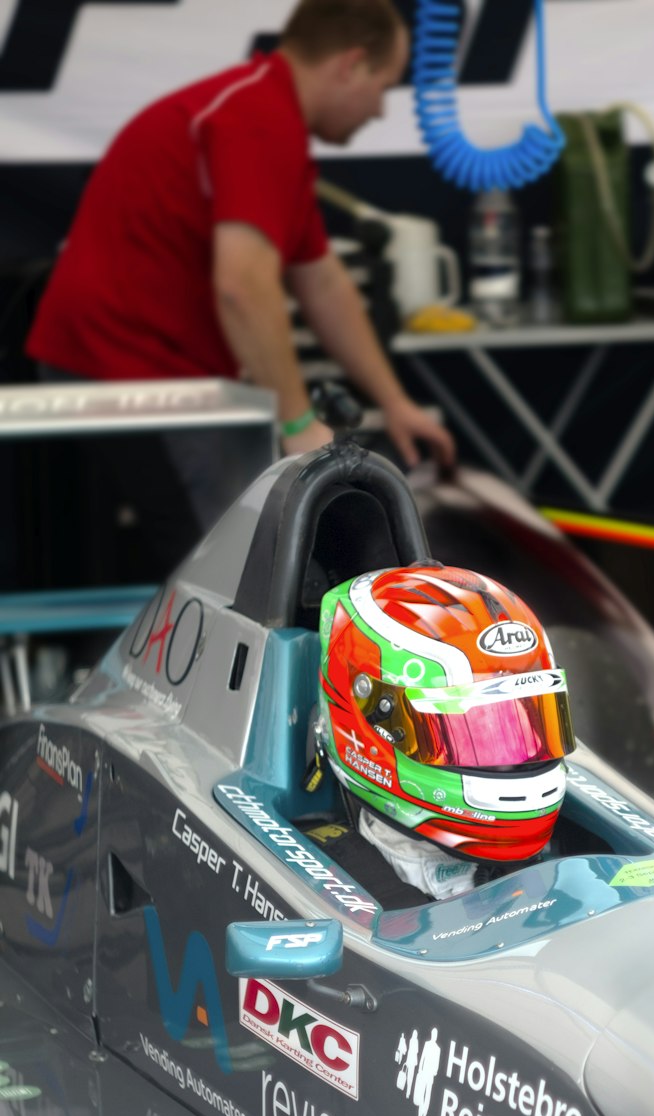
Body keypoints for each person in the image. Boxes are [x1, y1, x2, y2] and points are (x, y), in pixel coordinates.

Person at [27, 0, 455, 569]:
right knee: (231, 569)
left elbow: (322, 283)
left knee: (247, 554)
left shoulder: (266, 115)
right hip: (126, 365)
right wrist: (298, 423)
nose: (379, 110)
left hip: (167, 369)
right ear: (351, 65)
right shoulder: (256, 118)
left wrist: (395, 402)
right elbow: (243, 288)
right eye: (384, 86)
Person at [314, 562, 576, 899]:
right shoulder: (323, 888)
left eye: (530, 722)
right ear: (371, 729)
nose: (516, 759)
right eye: (468, 733)